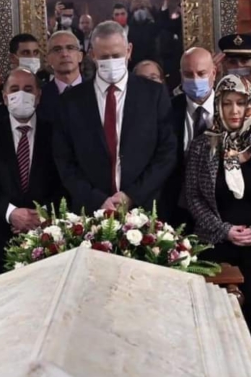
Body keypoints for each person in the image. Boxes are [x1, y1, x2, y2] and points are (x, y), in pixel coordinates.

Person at [186, 74, 251, 365]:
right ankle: (223, 371)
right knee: (220, 312)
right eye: (227, 103)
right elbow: (193, 196)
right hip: (216, 242)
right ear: (218, 106)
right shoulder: (201, 146)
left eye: (241, 103)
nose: (234, 110)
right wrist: (224, 230)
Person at [53, 21, 176, 214]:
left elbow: (167, 152)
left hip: (144, 209)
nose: (111, 62)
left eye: (117, 56)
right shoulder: (71, 101)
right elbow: (64, 160)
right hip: (89, 211)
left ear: (129, 50)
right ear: (92, 54)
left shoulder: (154, 94)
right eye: (104, 57)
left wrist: (132, 195)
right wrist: (97, 200)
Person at [0, 68, 65, 273]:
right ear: (5, 97)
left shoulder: (56, 134)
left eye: (28, 89)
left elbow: (65, 181)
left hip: (48, 239)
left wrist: (41, 215)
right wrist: (11, 213)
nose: (21, 94)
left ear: (38, 96)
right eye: (15, 89)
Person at [160, 47, 216, 231]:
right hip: (177, 209)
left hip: (220, 211)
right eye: (188, 74)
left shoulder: (231, 109)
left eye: (201, 73)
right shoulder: (167, 110)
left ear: (214, 73)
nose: (195, 80)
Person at [39, 31, 84, 124]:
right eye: (57, 50)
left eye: (70, 48)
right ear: (48, 59)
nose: (64, 54)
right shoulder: (40, 97)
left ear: (80, 56)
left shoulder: (97, 91)